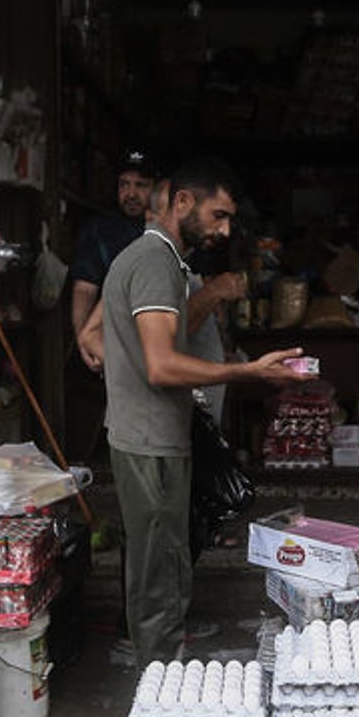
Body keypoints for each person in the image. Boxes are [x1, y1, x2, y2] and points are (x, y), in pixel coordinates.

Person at [101, 158, 311, 664]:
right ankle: (160, 687)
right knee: (158, 575)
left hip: (154, 434)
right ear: (182, 203)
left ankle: (162, 671)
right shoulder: (154, 261)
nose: (224, 229)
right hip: (149, 441)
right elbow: (162, 366)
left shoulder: (163, 260)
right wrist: (249, 373)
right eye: (218, 215)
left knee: (165, 564)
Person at [66, 149, 163, 464]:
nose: (131, 193)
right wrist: (84, 339)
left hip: (164, 338)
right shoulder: (100, 229)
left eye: (140, 185)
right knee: (125, 423)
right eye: (124, 184)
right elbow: (84, 289)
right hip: (117, 340)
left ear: (157, 188)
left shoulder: (169, 228)